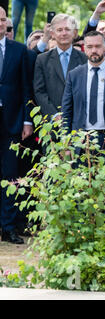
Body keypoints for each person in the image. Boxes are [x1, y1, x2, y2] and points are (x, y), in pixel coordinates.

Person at [0, 6, 33, 244]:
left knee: (10, 176)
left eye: (2, 20)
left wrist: (27, 120)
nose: (0, 24)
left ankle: (8, 227)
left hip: (11, 123)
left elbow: (25, 88)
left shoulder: (19, 51)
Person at [33, 14, 87, 120]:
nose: (64, 33)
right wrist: (54, 115)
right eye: (59, 30)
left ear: (75, 33)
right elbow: (39, 91)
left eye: (67, 29)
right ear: (52, 34)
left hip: (80, 122)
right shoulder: (42, 60)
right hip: (52, 124)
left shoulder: (85, 59)